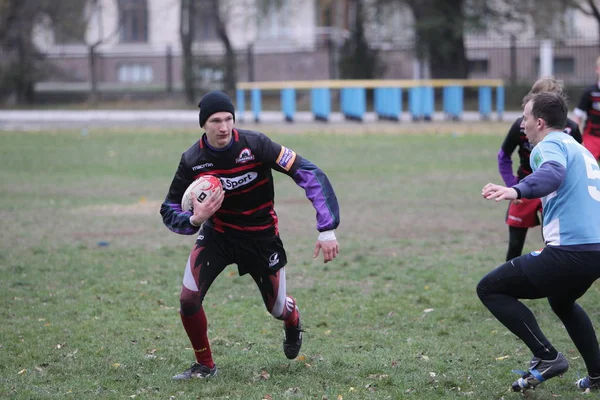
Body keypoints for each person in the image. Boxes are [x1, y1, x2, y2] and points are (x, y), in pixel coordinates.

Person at [160, 91, 341, 380]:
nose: (223, 127)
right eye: (215, 120)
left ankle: (292, 321)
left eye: (229, 119)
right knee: (188, 299)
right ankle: (204, 365)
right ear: (203, 125)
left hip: (261, 237)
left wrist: (327, 228)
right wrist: (195, 218)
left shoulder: (256, 145)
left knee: (278, 308)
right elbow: (168, 208)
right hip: (218, 236)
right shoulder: (193, 160)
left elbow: (308, 172)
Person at [478, 92, 600, 393]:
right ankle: (598, 375)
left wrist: (516, 191)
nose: (523, 123)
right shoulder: (582, 150)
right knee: (561, 301)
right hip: (595, 251)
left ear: (540, 122)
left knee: (490, 288)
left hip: (571, 252)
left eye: (526, 117)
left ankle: (547, 357)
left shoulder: (549, 145)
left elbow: (553, 174)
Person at [497, 77, 581, 262]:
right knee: (514, 245)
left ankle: (553, 281)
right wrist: (513, 187)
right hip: (524, 187)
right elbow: (503, 156)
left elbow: (578, 162)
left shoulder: (570, 128)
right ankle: (510, 285)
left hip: (554, 191)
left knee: (554, 243)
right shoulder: (521, 126)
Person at [573, 55, 600, 161]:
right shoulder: (589, 92)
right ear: (597, 70)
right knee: (587, 165)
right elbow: (577, 117)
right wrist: (576, 138)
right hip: (591, 136)